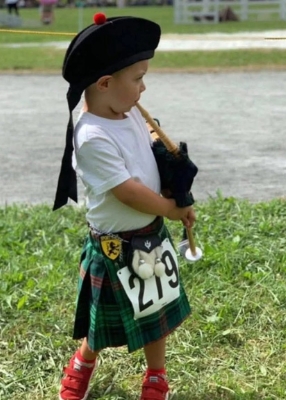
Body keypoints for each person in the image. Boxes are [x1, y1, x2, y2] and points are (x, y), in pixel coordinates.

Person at [54, 14, 195, 400]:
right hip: (114, 245)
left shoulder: (128, 110)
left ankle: (156, 376)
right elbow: (127, 191)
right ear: (104, 83)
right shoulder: (92, 136)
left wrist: (169, 165)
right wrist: (169, 208)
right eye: (137, 78)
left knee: (156, 312)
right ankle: (84, 360)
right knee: (101, 323)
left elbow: (147, 138)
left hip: (149, 237)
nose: (143, 87)